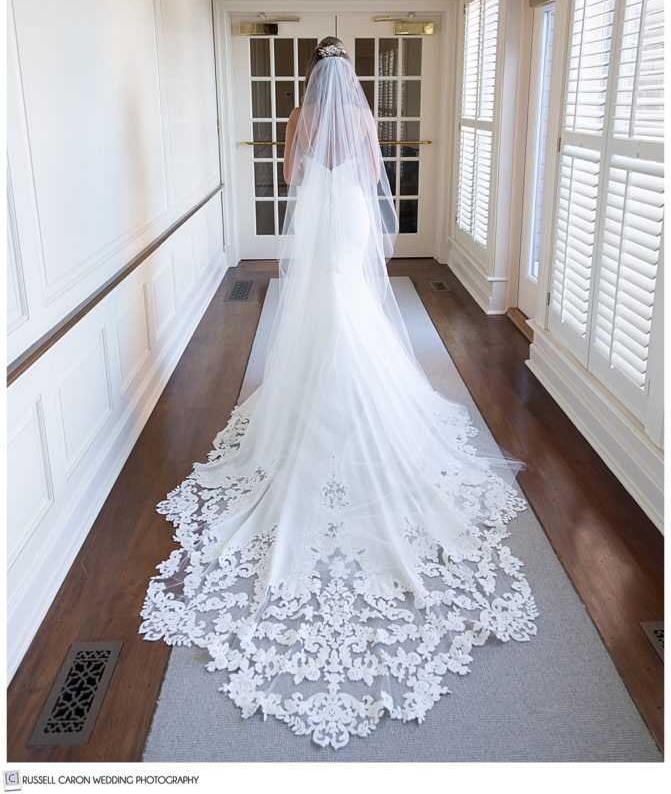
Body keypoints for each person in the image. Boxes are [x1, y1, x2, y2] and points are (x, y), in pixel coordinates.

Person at [139, 37, 538, 750]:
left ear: (310, 74)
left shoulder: (297, 115)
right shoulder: (360, 118)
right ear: (348, 75)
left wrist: (314, 178)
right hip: (350, 211)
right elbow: (377, 175)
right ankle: (359, 397)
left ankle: (316, 395)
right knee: (352, 298)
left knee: (321, 303)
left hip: (320, 213)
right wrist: (350, 185)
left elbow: (294, 174)